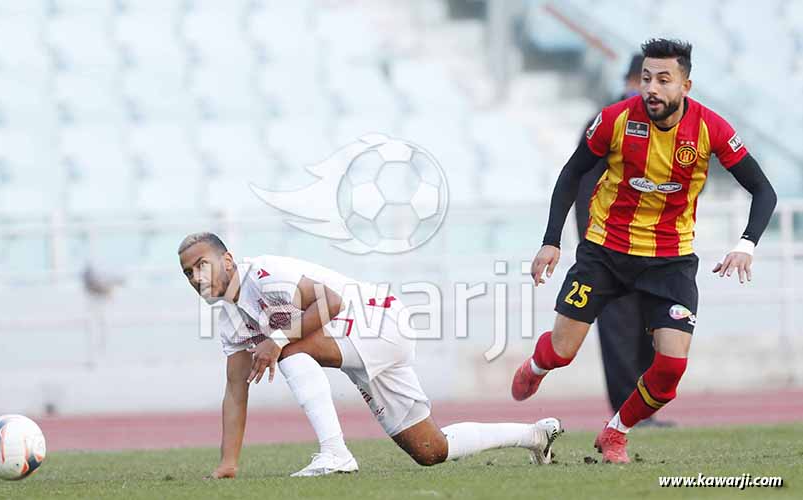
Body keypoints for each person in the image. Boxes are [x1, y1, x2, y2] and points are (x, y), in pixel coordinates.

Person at [512, 39, 777, 463]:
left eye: (663, 80)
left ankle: (616, 431)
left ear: (685, 86)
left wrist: (746, 244)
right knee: (563, 351)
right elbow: (571, 174)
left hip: (670, 261)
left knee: (670, 371)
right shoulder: (614, 119)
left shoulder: (712, 129)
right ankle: (538, 367)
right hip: (605, 253)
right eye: (647, 78)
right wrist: (551, 241)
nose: (652, 88)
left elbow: (763, 190)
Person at [178, 232, 563, 478]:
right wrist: (228, 463)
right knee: (430, 450)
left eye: (202, 265)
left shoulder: (264, 273)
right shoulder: (229, 318)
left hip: (379, 321)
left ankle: (335, 453)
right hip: (355, 345)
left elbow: (331, 300)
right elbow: (235, 388)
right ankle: (534, 435)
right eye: (188, 273)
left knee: (287, 350)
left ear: (227, 260)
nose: (196, 277)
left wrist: (276, 339)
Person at [575, 54, 672, 426]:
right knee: (617, 331)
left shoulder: (666, 127)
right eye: (642, 79)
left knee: (650, 330)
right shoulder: (607, 123)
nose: (648, 89)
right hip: (611, 246)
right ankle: (626, 412)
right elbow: (584, 185)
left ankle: (643, 411)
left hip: (653, 247)